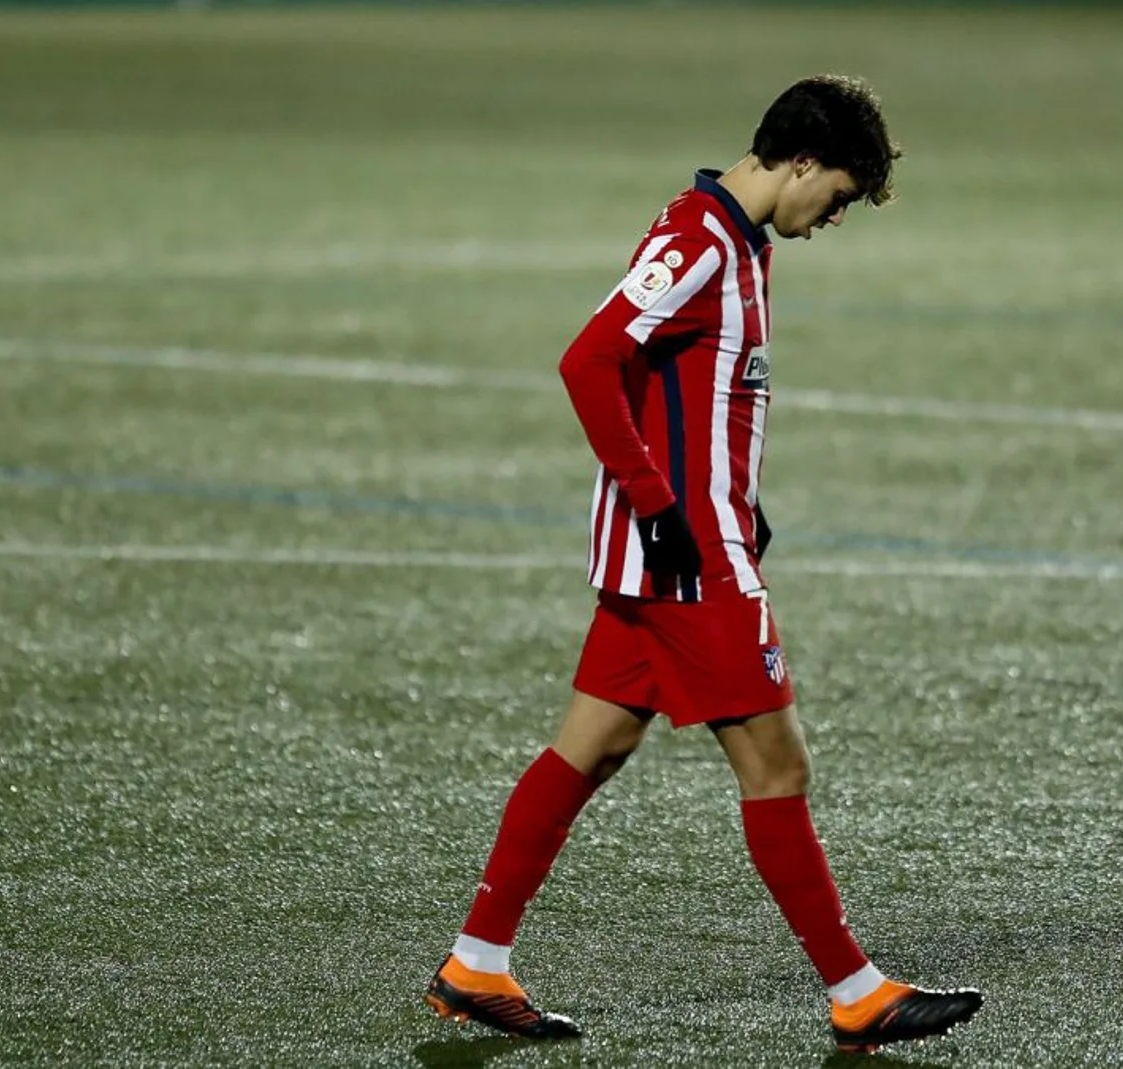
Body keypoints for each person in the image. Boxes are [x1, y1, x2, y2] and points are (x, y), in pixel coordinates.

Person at [423, 75, 983, 1054]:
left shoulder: (734, 239)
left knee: (589, 748)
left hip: (669, 552)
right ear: (799, 161)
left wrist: (733, 495)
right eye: (839, 196)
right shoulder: (701, 241)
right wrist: (663, 506)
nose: (833, 217)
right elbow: (588, 360)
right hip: (687, 562)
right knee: (777, 765)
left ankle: (477, 961)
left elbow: (688, 392)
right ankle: (856, 992)